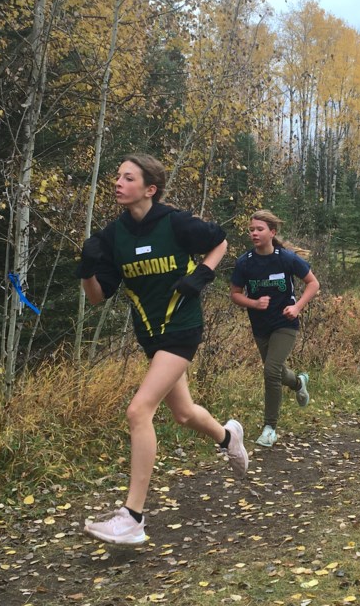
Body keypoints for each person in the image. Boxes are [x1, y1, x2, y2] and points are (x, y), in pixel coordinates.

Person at [76, 153, 248, 545]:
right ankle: (227, 437)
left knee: (139, 410)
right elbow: (99, 297)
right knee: (184, 414)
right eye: (117, 176)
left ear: (149, 188)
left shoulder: (176, 222)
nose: (118, 183)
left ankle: (132, 517)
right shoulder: (112, 236)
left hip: (182, 328)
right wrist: (86, 271)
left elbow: (219, 241)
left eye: (128, 177)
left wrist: (202, 274)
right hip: (150, 335)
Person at [230, 210, 320, 447]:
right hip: (260, 326)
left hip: (285, 323)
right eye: (251, 230)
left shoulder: (287, 259)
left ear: (272, 232)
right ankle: (299, 382)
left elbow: (313, 283)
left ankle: (270, 428)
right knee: (277, 372)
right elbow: (235, 294)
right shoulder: (245, 262)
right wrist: (254, 303)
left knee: (270, 371)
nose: (254, 234)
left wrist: (297, 307)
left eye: (259, 229)